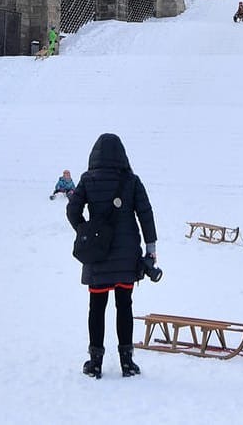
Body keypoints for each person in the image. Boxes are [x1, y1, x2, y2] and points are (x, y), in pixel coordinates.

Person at [67, 133, 158, 379]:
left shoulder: (87, 180)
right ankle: (127, 362)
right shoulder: (131, 180)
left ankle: (95, 362)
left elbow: (72, 209)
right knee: (124, 306)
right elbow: (146, 214)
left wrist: (85, 231)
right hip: (127, 255)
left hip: (97, 254)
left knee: (96, 307)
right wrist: (151, 249)